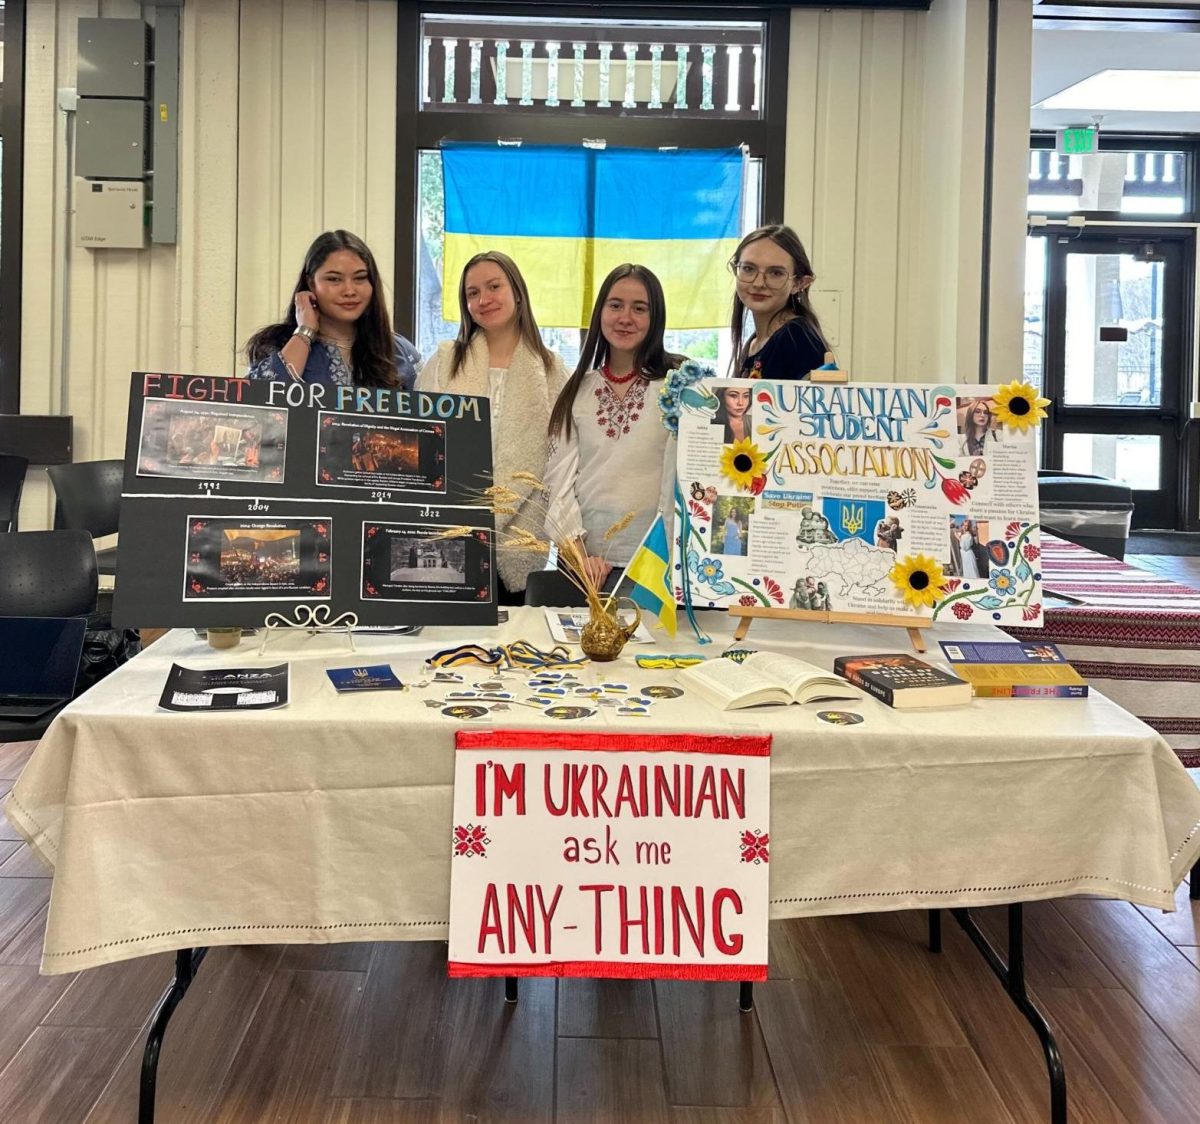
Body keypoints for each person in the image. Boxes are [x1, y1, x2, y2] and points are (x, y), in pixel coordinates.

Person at [418, 251, 568, 600]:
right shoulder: (442, 363)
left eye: (494, 286)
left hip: (519, 544)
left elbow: (562, 463)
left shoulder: (552, 371)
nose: (483, 299)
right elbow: (422, 447)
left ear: (517, 291)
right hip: (450, 536)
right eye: (472, 293)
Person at [544, 264, 687, 592]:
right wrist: (580, 555)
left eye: (640, 308)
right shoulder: (576, 391)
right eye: (615, 305)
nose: (626, 317)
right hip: (592, 567)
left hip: (661, 566)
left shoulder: (678, 388)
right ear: (600, 313)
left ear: (656, 318)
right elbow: (558, 483)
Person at [245, 231, 420, 390]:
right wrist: (305, 332)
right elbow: (257, 404)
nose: (350, 291)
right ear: (311, 283)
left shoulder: (399, 351)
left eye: (360, 278)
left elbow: (430, 419)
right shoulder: (276, 343)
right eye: (334, 279)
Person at [728, 223, 830, 380]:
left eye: (775, 273)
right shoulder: (755, 344)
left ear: (799, 283)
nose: (759, 283)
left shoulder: (796, 338)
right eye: (748, 269)